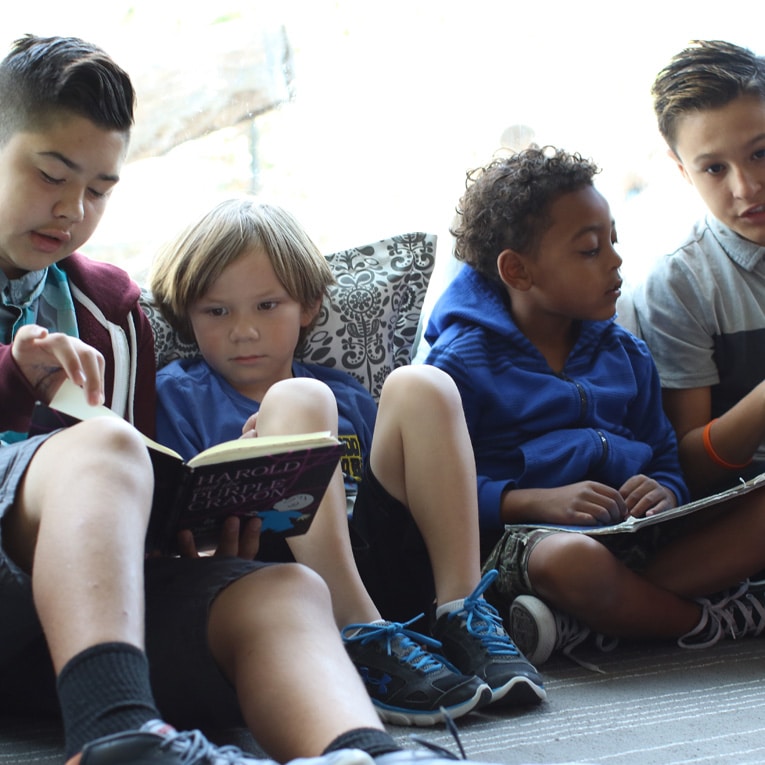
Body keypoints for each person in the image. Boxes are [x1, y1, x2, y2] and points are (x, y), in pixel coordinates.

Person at [0, 33, 520, 765]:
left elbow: (141, 492)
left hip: (83, 622)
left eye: (99, 189)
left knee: (283, 588)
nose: (72, 208)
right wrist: (12, 374)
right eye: (51, 173)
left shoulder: (111, 305)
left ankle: (365, 749)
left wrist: (183, 537)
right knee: (101, 445)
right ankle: (112, 736)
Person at [148, 197, 547, 725]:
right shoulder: (177, 397)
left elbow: (402, 480)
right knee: (297, 400)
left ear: (307, 307)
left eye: (267, 306)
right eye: (216, 311)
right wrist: (263, 454)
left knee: (421, 383)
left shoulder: (348, 396)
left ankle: (461, 612)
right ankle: (357, 635)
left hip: (382, 573)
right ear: (187, 314)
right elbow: (176, 509)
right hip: (274, 577)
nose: (243, 330)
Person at [423, 145, 765, 667]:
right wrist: (535, 502)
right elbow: (438, 496)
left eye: (614, 241)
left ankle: (584, 620)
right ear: (517, 271)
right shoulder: (461, 365)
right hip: (528, 544)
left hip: (634, 535)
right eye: (589, 250)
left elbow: (664, 456)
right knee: (572, 562)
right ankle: (707, 620)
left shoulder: (626, 352)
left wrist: (665, 489)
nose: (615, 260)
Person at [632, 40, 765, 500]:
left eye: (761, 153)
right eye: (713, 168)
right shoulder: (679, 284)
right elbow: (692, 469)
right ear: (683, 171)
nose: (747, 188)